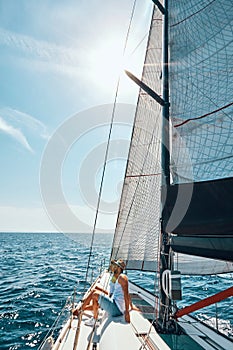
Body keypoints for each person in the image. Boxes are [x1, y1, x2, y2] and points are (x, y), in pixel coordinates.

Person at [73, 259, 131, 326]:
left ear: (119, 268)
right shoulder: (117, 278)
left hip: (117, 309)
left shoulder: (122, 277)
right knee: (94, 291)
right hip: (115, 303)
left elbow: (126, 294)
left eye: (116, 266)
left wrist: (127, 312)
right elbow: (118, 293)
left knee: (95, 294)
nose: (114, 267)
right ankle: (80, 310)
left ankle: (94, 319)